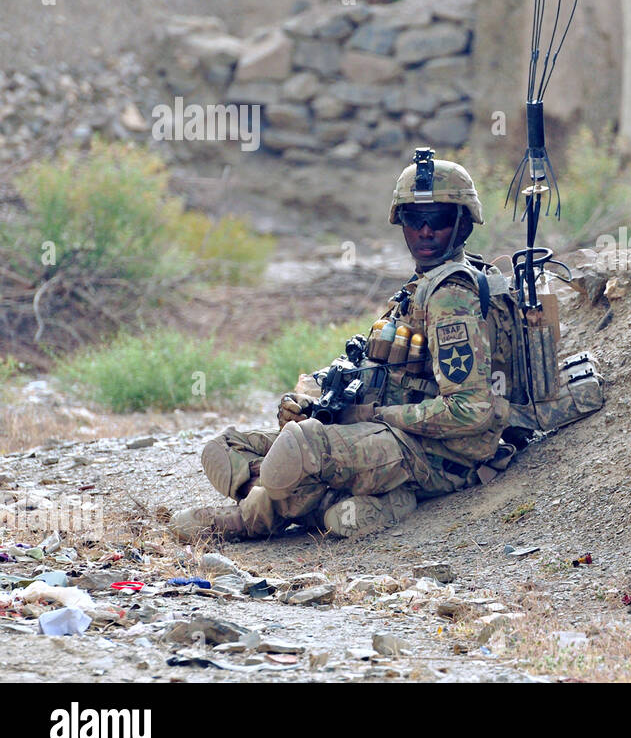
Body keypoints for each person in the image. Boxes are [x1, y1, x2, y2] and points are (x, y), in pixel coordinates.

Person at [169, 150, 511, 541]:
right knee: (225, 446)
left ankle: (258, 515)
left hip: (434, 452)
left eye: (438, 220)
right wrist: (311, 398)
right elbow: (371, 361)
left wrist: (376, 414)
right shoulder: (419, 289)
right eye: (415, 220)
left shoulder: (451, 297)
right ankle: (325, 498)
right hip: (386, 436)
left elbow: (471, 411)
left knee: (302, 447)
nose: (425, 232)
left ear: (463, 224)